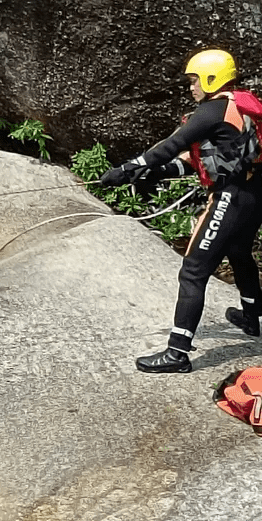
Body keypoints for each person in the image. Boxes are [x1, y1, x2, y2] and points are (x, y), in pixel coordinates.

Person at [101, 48, 262, 373]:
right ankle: (251, 318)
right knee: (240, 253)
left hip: (229, 198)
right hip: (253, 195)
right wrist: (155, 173)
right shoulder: (241, 106)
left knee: (193, 271)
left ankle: (177, 352)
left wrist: (128, 168)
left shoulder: (211, 111)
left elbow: (170, 146)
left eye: (193, 80)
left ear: (211, 78)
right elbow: (205, 161)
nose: (191, 87)